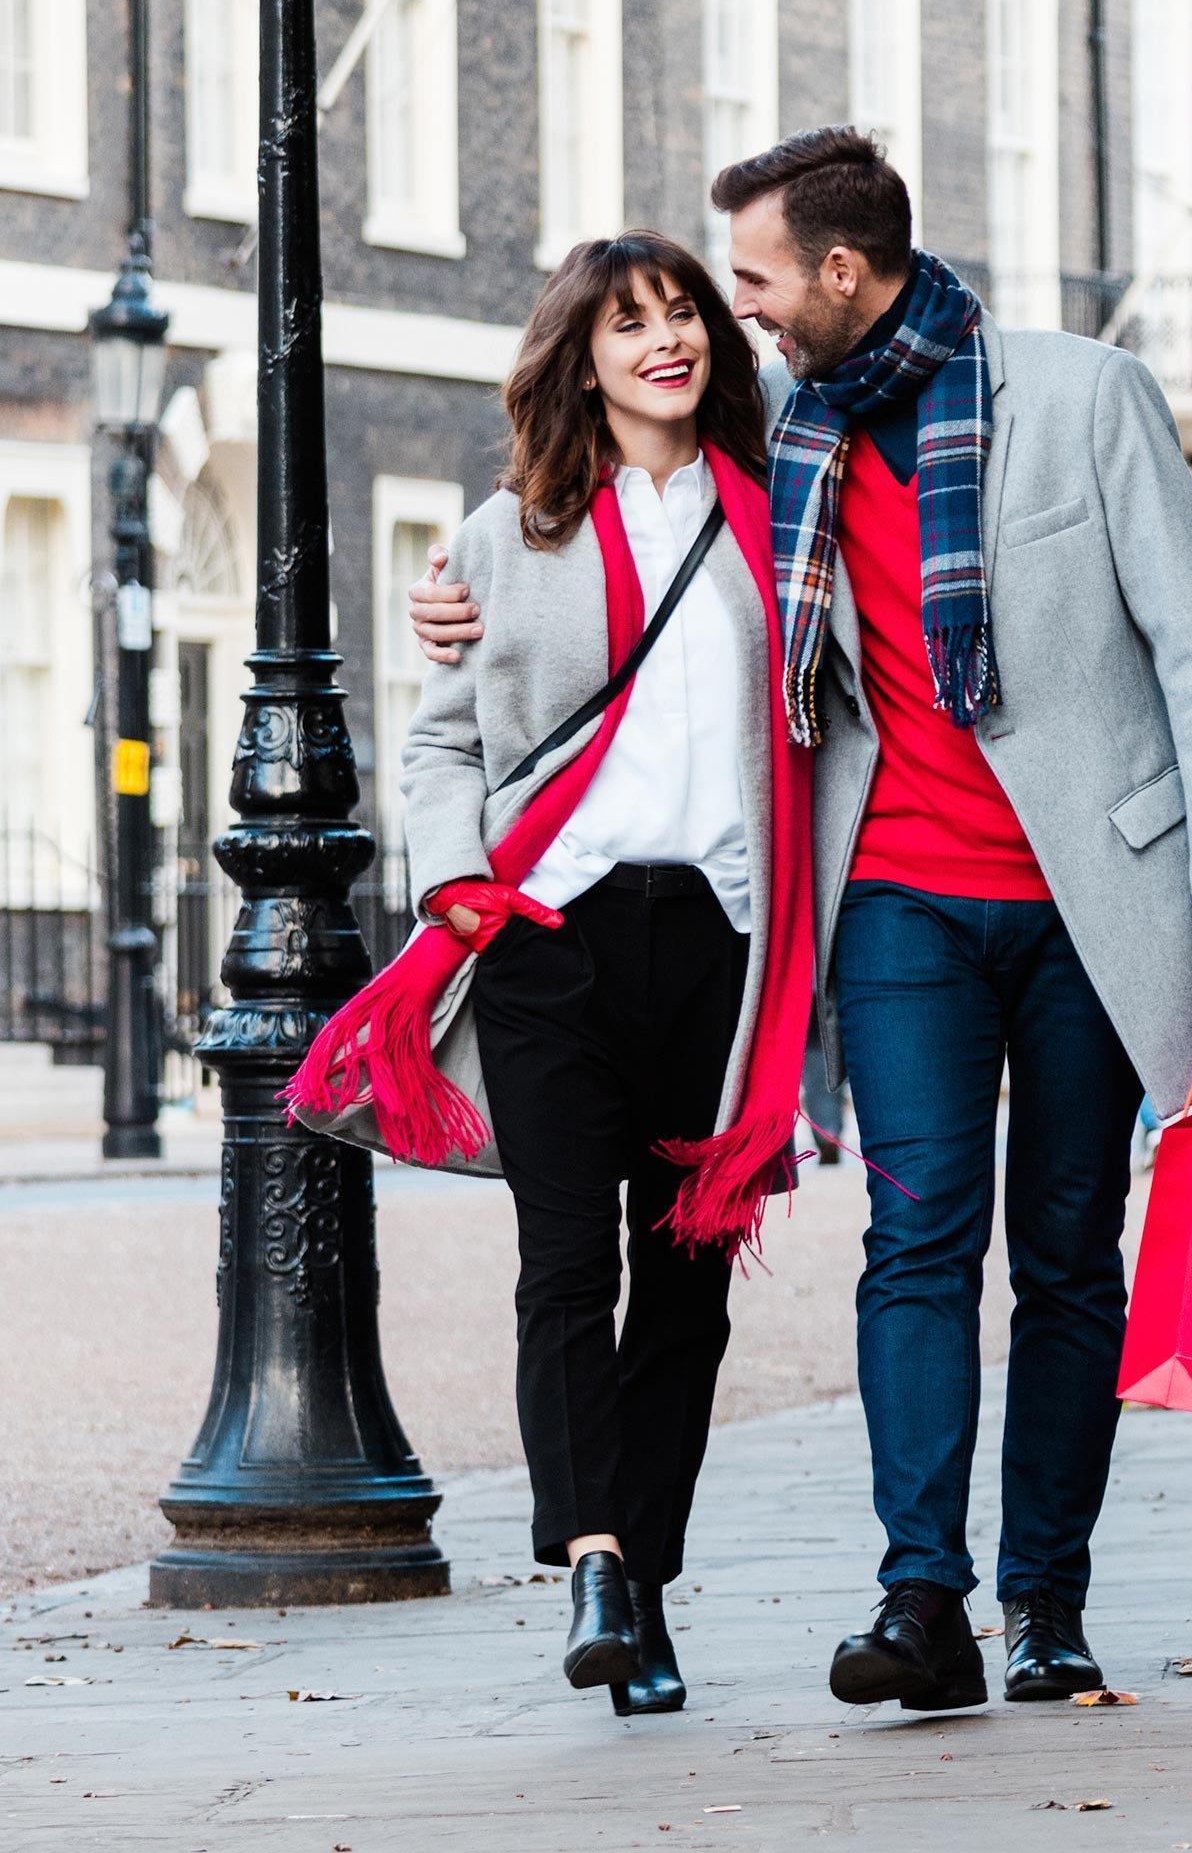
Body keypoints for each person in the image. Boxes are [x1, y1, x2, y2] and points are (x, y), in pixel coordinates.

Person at [417, 128, 1192, 1714]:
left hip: (1096, 903)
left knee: (1070, 1256)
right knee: (916, 1248)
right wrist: (460, 598)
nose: (731, 314)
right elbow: (609, 545)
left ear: (838, 270)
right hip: (894, 905)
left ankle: (1048, 1602)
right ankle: (923, 1601)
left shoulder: (1084, 397)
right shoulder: (792, 449)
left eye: (749, 279)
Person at [298, 232, 816, 1720]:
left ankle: (642, 1579)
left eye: (683, 318)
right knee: (567, 1268)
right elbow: (443, 740)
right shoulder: (505, 532)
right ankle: (591, 1557)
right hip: (546, 941)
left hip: (720, 944)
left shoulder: (775, 517)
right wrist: (454, 880)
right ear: (578, 357)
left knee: (694, 1281)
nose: (665, 343)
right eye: (629, 324)